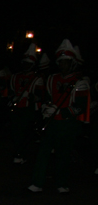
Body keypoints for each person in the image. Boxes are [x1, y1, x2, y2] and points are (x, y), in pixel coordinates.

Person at [28, 39, 90, 193]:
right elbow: (47, 97)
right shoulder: (52, 79)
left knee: (63, 154)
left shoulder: (80, 83)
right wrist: (46, 108)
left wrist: (61, 111)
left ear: (72, 63)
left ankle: (61, 183)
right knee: (43, 153)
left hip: (68, 123)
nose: (63, 65)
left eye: (66, 62)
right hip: (52, 122)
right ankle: (37, 182)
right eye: (60, 62)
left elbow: (80, 107)